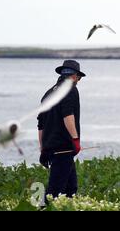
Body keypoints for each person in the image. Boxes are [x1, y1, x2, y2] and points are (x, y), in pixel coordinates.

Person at [38, 59, 86, 199]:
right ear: (74, 76)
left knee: (70, 189)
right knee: (54, 192)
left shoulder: (47, 93)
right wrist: (75, 140)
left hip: (52, 148)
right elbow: (68, 116)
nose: (79, 81)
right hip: (63, 148)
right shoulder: (70, 88)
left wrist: (43, 149)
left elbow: (41, 125)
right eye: (79, 78)